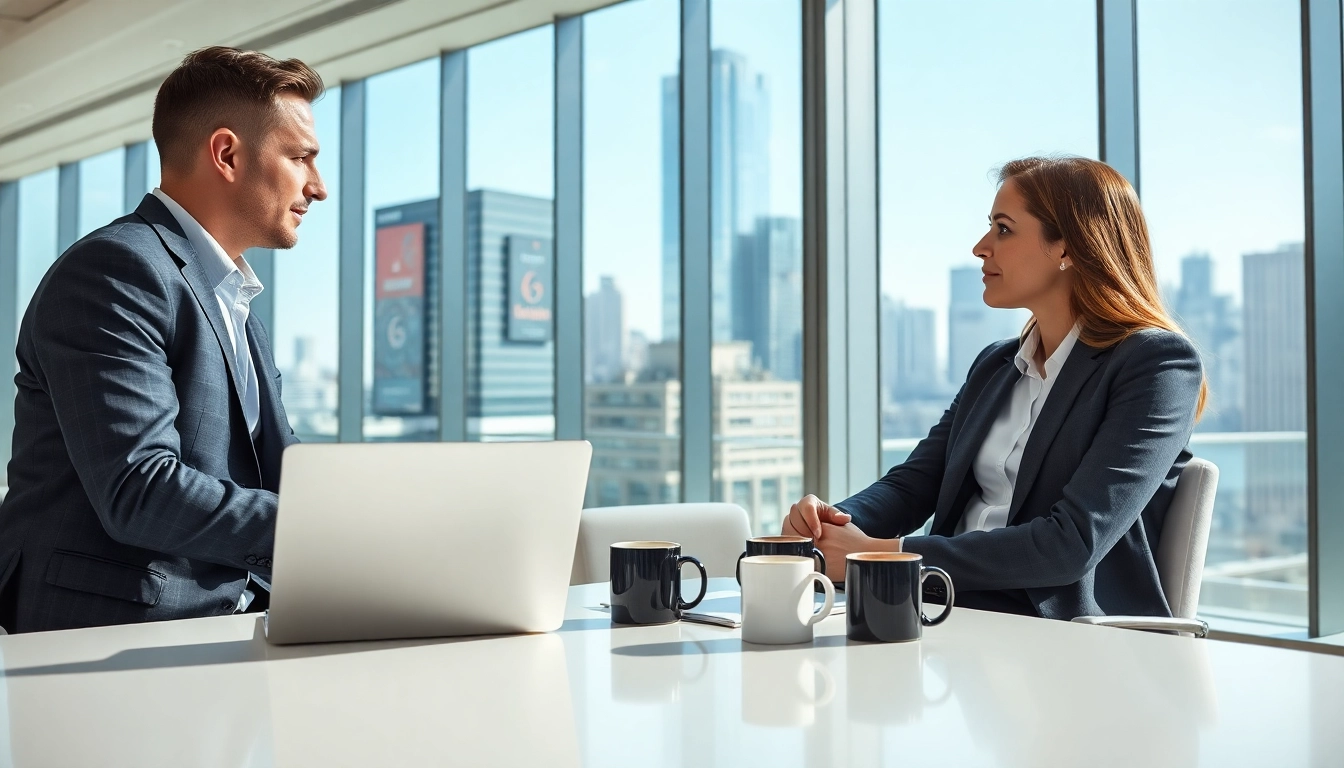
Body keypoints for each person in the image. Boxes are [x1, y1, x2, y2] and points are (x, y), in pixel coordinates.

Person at [785, 156, 1206, 620]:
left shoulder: (1156, 364)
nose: (981, 247)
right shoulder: (995, 365)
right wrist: (832, 524)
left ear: (1067, 246)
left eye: (1003, 230)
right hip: (942, 611)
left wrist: (886, 554)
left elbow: (1071, 544)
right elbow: (913, 485)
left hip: (1059, 636)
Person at [0, 47, 327, 633]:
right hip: (105, 637)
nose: (319, 187)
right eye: (302, 157)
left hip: (219, 622)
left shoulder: (232, 300)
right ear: (227, 154)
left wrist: (387, 508)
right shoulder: (117, 270)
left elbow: (275, 463)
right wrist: (329, 527)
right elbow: (140, 487)